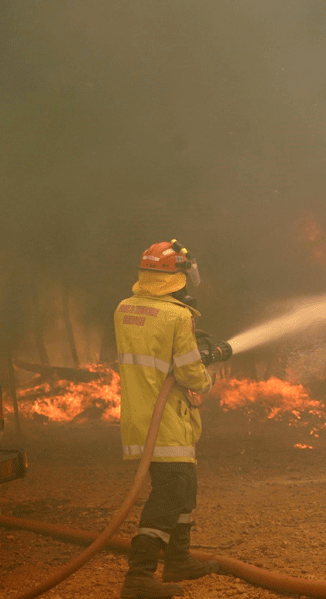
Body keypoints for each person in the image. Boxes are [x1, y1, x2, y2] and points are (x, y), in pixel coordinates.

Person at [114, 240, 228, 599]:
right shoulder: (178, 316)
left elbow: (156, 351)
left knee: (183, 487)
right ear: (178, 275)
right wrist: (207, 375)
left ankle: (178, 560)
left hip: (139, 419)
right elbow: (191, 373)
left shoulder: (124, 309)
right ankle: (139, 575)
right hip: (166, 421)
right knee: (168, 495)